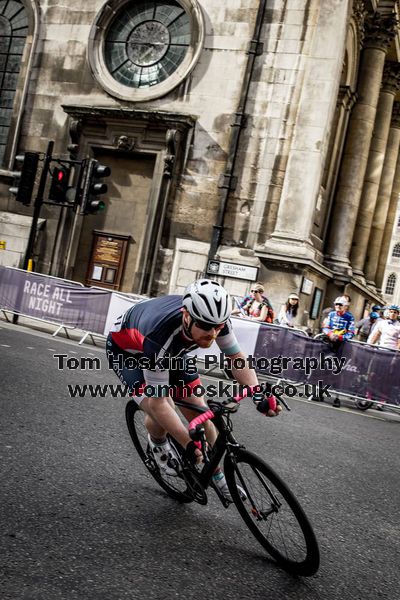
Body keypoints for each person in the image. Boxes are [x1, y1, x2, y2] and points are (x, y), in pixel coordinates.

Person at [106, 278, 281, 501]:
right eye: (206, 327)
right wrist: (187, 444)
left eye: (218, 326)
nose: (213, 334)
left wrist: (257, 392)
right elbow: (159, 404)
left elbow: (236, 357)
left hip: (172, 352)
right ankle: (158, 444)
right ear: (187, 316)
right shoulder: (160, 337)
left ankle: (217, 477)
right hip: (128, 352)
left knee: (201, 411)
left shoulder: (214, 320)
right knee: (159, 407)